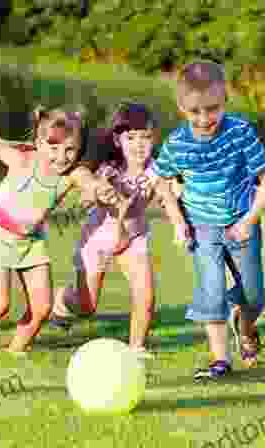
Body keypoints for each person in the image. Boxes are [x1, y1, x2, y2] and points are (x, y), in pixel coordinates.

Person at [0, 85, 126, 353]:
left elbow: (89, 181)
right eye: (53, 147)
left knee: (42, 308)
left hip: (31, 242)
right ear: (38, 142)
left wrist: (101, 189)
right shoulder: (22, 159)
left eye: (70, 150)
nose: (61, 157)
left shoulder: (72, 173)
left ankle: (14, 352)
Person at [149, 61, 265, 380]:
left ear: (225, 101)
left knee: (253, 297)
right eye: (195, 112)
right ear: (181, 107)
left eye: (213, 109)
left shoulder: (239, 132)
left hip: (240, 223)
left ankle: (244, 325)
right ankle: (220, 360)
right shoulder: (177, 143)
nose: (205, 119)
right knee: (212, 291)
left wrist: (249, 220)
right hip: (202, 228)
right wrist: (178, 220)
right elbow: (161, 181)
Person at [49, 102, 188, 358]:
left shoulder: (155, 170)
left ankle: (136, 347)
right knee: (87, 305)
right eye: (131, 137)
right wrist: (97, 193)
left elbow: (168, 199)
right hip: (100, 237)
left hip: (133, 238)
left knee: (145, 294)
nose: (138, 144)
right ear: (117, 139)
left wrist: (179, 226)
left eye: (145, 137)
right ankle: (63, 300)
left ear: (154, 138)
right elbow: (94, 191)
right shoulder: (110, 169)